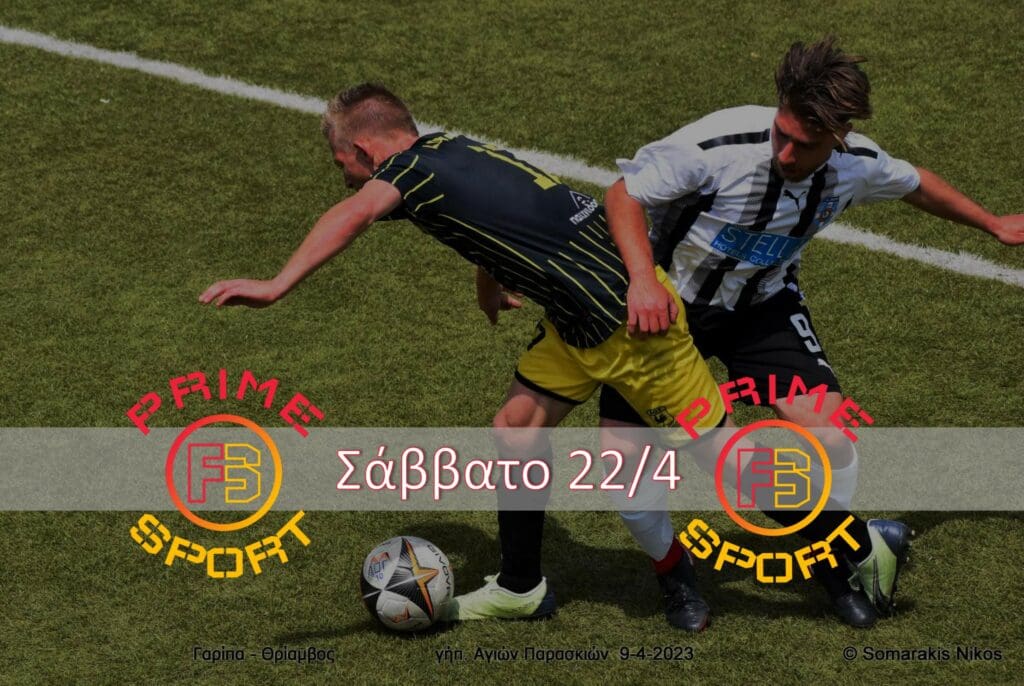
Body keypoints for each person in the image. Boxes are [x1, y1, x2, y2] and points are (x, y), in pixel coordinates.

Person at [199, 83, 727, 632]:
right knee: (515, 431)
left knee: (723, 464)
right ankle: (521, 588)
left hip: (632, 325)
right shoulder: (454, 149)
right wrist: (490, 286)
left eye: (342, 163)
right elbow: (501, 219)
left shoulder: (406, 173)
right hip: (574, 326)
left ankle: (715, 565)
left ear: (363, 149)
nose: (346, 177)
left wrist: (277, 285)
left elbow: (354, 213)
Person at [599, 36, 1024, 628]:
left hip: (762, 307)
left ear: (839, 137)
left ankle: (835, 565)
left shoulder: (856, 164)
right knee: (626, 466)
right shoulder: (716, 146)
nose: (787, 153)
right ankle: (677, 578)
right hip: (669, 313)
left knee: (832, 435)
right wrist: (643, 281)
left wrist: (993, 223)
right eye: (782, 134)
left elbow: (914, 183)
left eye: (806, 144)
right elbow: (623, 195)